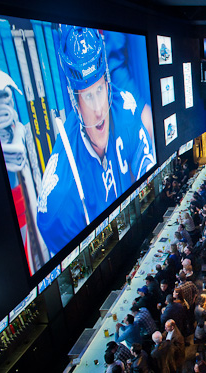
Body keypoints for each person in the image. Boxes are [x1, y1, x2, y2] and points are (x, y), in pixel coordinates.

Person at [36, 26, 155, 254]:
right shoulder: (61, 198)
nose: (99, 109)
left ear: (108, 85)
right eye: (88, 96)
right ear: (75, 102)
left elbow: (149, 180)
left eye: (100, 90)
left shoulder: (125, 110)